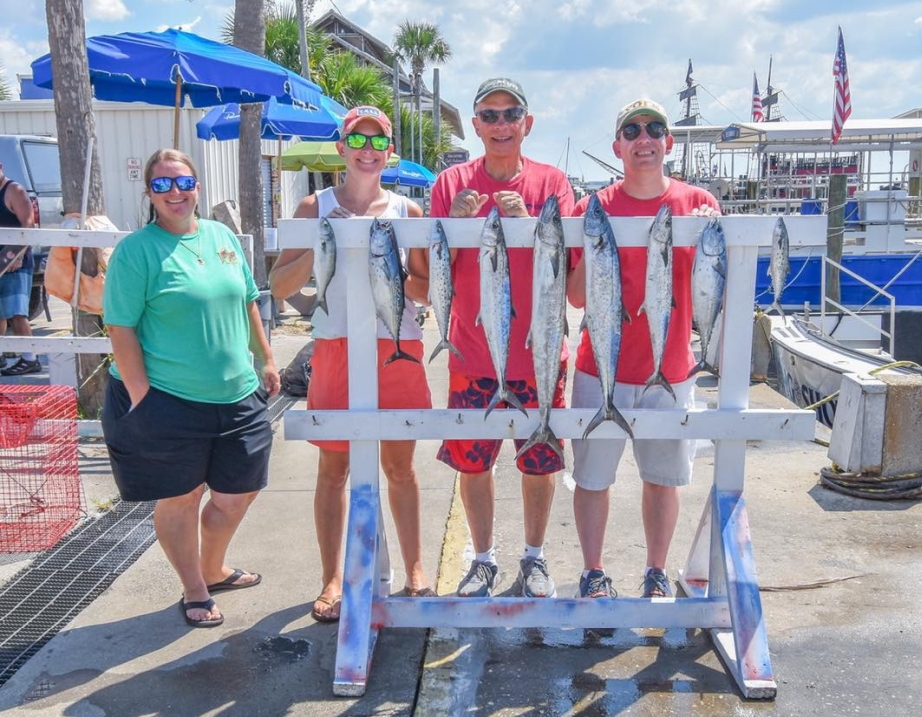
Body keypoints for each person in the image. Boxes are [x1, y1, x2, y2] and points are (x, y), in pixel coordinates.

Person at [269, 106, 436, 624]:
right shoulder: (311, 205)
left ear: (391, 152)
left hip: (397, 344)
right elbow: (279, 286)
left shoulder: (408, 212)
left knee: (400, 467)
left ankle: (415, 569)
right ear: (340, 148)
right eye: (357, 138)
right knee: (332, 470)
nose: (367, 148)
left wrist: (383, 255)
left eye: (377, 140)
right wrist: (331, 241)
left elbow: (427, 289)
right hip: (336, 344)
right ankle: (332, 577)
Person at [102, 148, 279, 628]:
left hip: (237, 392)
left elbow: (247, 301)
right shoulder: (137, 250)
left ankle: (214, 566)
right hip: (169, 397)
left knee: (237, 492)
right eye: (162, 185)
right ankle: (195, 587)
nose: (175, 193)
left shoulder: (222, 236)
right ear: (149, 194)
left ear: (197, 186)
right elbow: (120, 328)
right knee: (181, 496)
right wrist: (142, 397)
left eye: (183, 182)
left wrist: (264, 357)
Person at [566, 99, 721, 600]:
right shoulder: (592, 208)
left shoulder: (698, 203)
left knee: (662, 479)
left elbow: (713, 287)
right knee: (593, 478)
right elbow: (574, 296)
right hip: (600, 367)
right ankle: (594, 573)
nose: (644, 138)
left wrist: (705, 228)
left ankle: (656, 571)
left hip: (672, 370)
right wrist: (594, 246)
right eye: (631, 130)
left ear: (668, 143)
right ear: (618, 146)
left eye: (655, 128)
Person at [432, 77, 575, 598]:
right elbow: (431, 270)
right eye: (489, 115)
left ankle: (534, 557)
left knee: (539, 460)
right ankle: (484, 557)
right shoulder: (449, 184)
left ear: (526, 123)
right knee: (474, 462)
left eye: (510, 113)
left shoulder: (553, 182)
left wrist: (530, 223)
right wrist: (455, 224)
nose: (500, 124)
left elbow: (569, 264)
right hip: (472, 355)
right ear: (475, 125)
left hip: (538, 354)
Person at [0, 160, 41, 376]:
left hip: (16, 262)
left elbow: (28, 224)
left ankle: (30, 358)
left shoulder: (13, 190)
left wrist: (17, 255)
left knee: (17, 313)